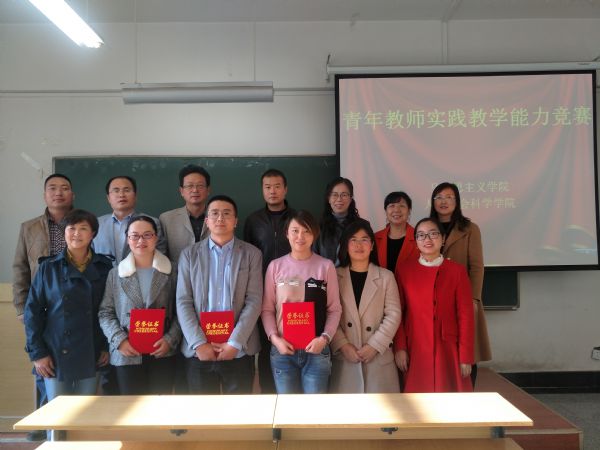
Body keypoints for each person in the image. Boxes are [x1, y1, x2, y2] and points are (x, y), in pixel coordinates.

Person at [24, 209, 112, 405]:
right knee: (56, 414)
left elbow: (111, 311)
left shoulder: (105, 267)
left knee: (85, 412)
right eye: (71, 228)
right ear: (64, 232)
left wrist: (107, 347)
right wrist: (38, 354)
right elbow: (32, 313)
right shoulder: (48, 267)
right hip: (55, 352)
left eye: (83, 228)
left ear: (93, 234)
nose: (76, 234)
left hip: (93, 350)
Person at [177, 195, 263, 394]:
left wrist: (234, 343)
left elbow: (254, 300)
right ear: (207, 221)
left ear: (236, 221)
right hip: (199, 350)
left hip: (238, 350)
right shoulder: (189, 255)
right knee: (202, 411)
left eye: (226, 214)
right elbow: (183, 301)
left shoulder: (252, 254)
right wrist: (199, 343)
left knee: (239, 410)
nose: (220, 218)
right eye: (214, 213)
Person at [12, 173, 74, 442]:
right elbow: (20, 268)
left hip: (74, 303)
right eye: (52, 188)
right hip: (40, 306)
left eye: (64, 188)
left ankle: (69, 420)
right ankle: (42, 419)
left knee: (72, 364)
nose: (58, 193)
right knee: (41, 363)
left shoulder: (82, 222)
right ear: (45, 194)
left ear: (72, 194)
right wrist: (20, 308)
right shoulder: (29, 228)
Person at [99, 216, 181, 394]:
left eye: (147, 235)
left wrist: (170, 339)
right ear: (127, 239)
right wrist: (119, 340)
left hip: (162, 352)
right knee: (131, 407)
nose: (140, 241)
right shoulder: (116, 274)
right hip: (127, 353)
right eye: (134, 236)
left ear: (156, 238)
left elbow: (182, 311)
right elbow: (105, 313)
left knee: (160, 407)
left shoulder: (173, 270)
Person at [262, 210, 342, 394]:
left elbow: (334, 309)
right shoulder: (275, 266)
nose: (300, 236)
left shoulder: (326, 266)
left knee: (314, 409)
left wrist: (324, 338)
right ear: (286, 233)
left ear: (314, 234)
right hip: (282, 349)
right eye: (295, 231)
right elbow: (267, 309)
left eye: (306, 231)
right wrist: (275, 339)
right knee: (287, 406)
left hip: (317, 350)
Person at [394, 217, 474, 393]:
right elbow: (397, 312)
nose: (427, 239)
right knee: (416, 401)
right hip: (415, 346)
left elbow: (466, 316)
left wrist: (466, 356)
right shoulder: (404, 270)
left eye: (433, 234)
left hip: (449, 347)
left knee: (450, 401)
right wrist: (400, 347)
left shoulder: (457, 271)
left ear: (443, 238)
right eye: (421, 235)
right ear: (416, 242)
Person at [430, 182, 492, 385]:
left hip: (462, 299)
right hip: (434, 300)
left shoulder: (470, 229)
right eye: (439, 197)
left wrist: (472, 299)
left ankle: (467, 394)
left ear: (457, 202)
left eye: (449, 197)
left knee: (467, 353)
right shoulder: (428, 228)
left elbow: (477, 267)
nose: (444, 201)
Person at [330, 219, 401, 393]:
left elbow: (393, 314)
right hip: (346, 357)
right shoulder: (334, 275)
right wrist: (343, 345)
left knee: (382, 409)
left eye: (364, 239)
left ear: (372, 245)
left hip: (378, 358)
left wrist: (375, 345)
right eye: (353, 240)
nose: (359, 245)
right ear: (345, 245)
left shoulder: (386, 276)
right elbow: (329, 313)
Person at [243, 168, 295, 393]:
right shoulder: (253, 220)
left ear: (285, 189)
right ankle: (268, 392)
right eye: (267, 187)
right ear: (262, 190)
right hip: (261, 290)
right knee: (267, 341)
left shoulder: (297, 218)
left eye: (277, 186)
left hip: (293, 290)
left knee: (293, 337)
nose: (272, 191)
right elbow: (246, 256)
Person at [94, 175, 166, 266]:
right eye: (116, 190)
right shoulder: (96, 224)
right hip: (104, 275)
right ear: (108, 198)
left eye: (127, 190)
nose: (121, 195)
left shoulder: (152, 222)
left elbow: (160, 256)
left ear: (135, 196)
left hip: (140, 274)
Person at [159, 164, 211, 266]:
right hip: (177, 274)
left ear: (208, 190)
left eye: (200, 186)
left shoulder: (219, 218)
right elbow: (161, 256)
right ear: (181, 191)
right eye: (189, 186)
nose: (195, 190)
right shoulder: (166, 219)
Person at [314, 177, 362, 265]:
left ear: (350, 198)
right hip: (325, 273)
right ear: (328, 198)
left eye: (344, 195)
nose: (339, 199)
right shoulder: (317, 227)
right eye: (334, 195)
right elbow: (313, 259)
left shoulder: (362, 225)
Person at [374, 191, 419, 274]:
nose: (396, 210)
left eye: (402, 206)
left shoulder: (419, 237)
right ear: (385, 211)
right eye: (392, 206)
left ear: (409, 211)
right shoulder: (375, 238)